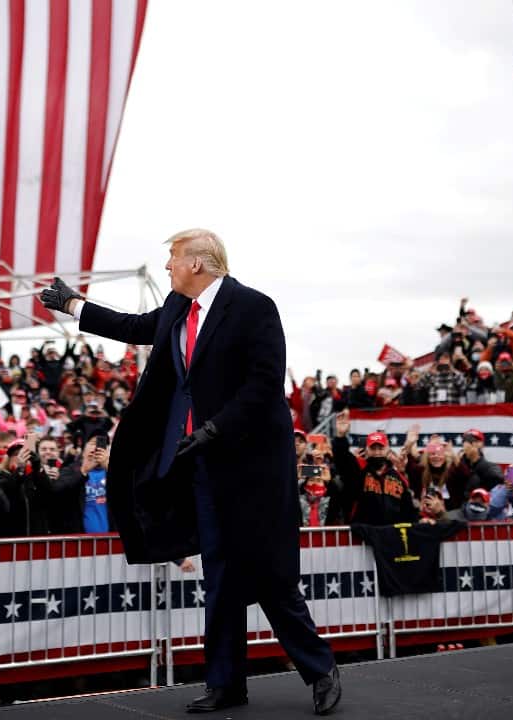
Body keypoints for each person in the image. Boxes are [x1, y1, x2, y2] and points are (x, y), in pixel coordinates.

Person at [41, 228, 341, 715]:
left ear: (198, 264)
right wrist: (73, 305)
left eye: (173, 259)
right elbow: (135, 327)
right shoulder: (180, 311)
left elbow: (264, 385)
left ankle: (320, 667)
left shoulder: (254, 307)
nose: (167, 268)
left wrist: (217, 429)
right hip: (200, 465)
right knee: (219, 576)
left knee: (266, 575)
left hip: (249, 468)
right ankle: (226, 684)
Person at [330, 420, 417, 526]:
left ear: (387, 449)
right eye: (373, 448)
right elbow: (342, 458)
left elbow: (408, 509)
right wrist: (340, 437)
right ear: (366, 450)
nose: (377, 452)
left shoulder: (397, 476)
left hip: (391, 536)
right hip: (363, 537)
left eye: (380, 448)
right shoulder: (358, 469)